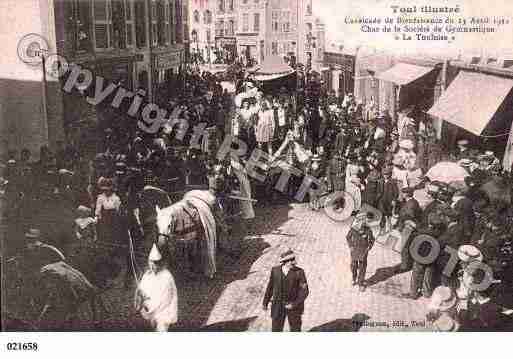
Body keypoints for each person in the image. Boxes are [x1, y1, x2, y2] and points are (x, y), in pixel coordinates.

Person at [262, 249, 309, 332]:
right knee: (276, 329)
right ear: (285, 262)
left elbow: (304, 291)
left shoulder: (299, 272)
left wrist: (294, 304)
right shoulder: (275, 270)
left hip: (293, 306)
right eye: (292, 261)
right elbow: (270, 287)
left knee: (295, 329)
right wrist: (265, 302)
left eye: (294, 259)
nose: (295, 262)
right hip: (277, 306)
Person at [135, 244, 178, 332]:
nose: (152, 266)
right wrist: (140, 297)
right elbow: (141, 291)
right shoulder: (147, 275)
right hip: (149, 311)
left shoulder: (167, 276)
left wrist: (152, 315)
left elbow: (165, 300)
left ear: (160, 263)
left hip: (163, 312)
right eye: (150, 263)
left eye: (155, 263)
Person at [346, 212, 375, 292]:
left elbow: (372, 239)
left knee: (362, 267)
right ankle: (354, 278)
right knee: (353, 265)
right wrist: (350, 246)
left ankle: (360, 283)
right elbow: (348, 237)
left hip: (363, 250)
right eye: (367, 220)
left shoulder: (368, 230)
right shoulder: (354, 228)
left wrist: (369, 246)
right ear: (364, 219)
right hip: (354, 249)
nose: (368, 222)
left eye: (369, 221)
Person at [378, 166, 399, 235]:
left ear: (390, 174)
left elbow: (396, 192)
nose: (385, 175)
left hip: (389, 201)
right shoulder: (381, 181)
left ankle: (389, 226)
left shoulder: (393, 182)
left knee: (389, 215)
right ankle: (382, 229)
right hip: (382, 200)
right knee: (382, 215)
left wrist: (394, 200)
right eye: (384, 174)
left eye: (387, 174)